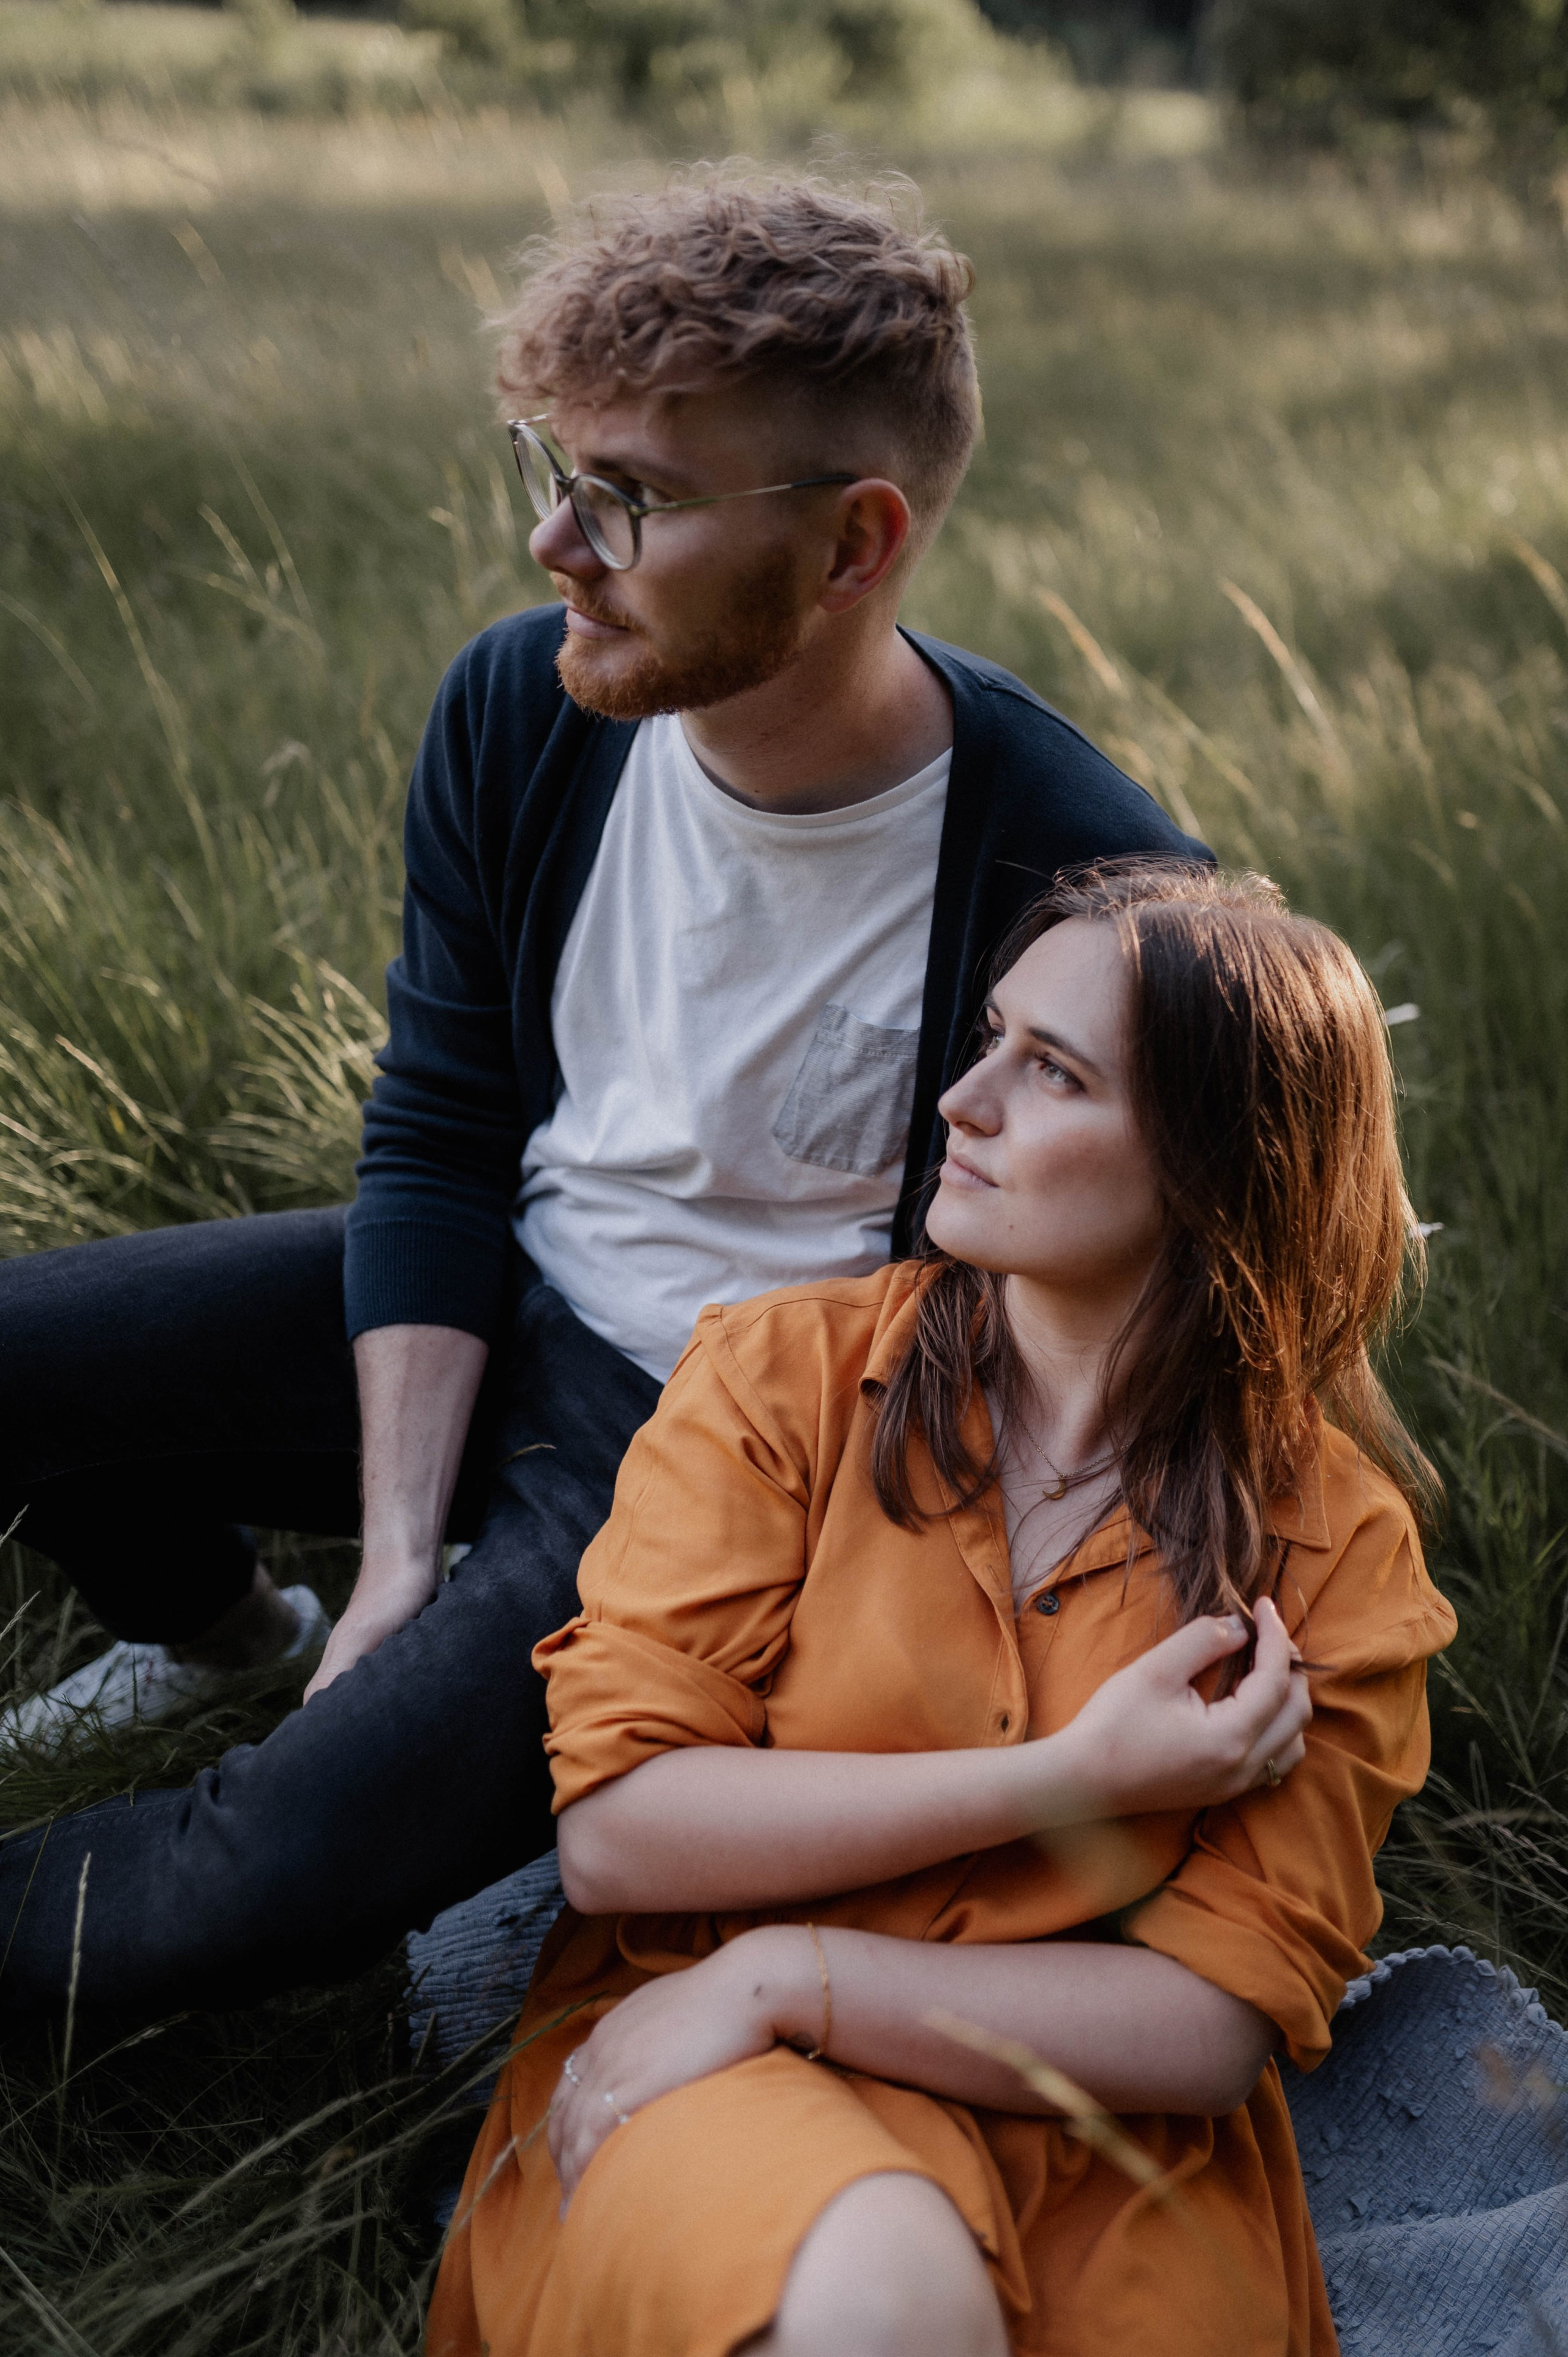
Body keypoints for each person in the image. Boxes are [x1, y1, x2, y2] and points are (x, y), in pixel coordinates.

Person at [0, 174, 1205, 2023]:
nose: (558, 540)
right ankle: (236, 1631)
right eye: (549, 469)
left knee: (251, 1883)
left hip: (723, 1446)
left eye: (629, 498)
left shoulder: (1084, 883)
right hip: (506, 1293)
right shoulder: (524, 709)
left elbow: (1093, 1330)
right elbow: (441, 1125)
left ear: (855, 544)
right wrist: (401, 1561)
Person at [426, 862, 1456, 2357]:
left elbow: (1211, 2022)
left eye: (1049, 1072)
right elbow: (620, 1824)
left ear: (1213, 1160)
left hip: (1088, 2132)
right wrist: (1065, 1783)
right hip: (709, 2051)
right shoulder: (780, 1382)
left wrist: (803, 1973)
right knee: (875, 2304)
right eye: (989, 1039)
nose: (961, 1101)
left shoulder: (1332, 1550)